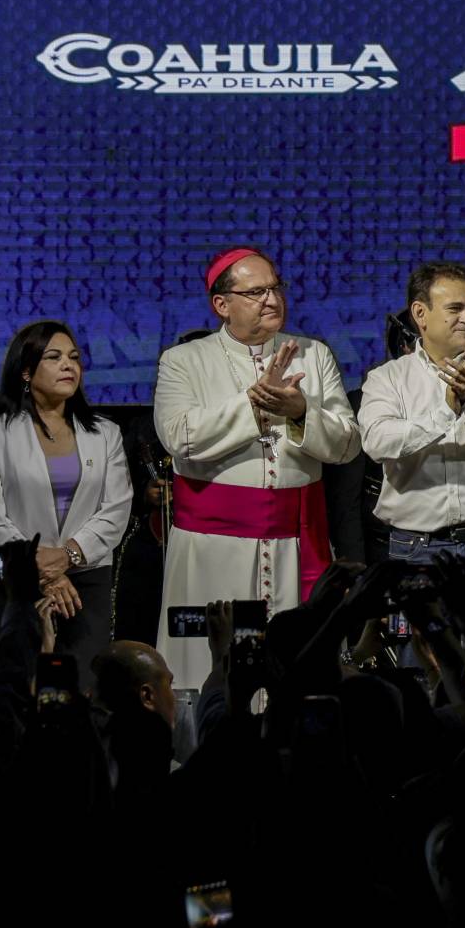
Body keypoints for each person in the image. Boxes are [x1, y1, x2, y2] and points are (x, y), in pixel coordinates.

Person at [153, 247, 360, 689]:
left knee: (294, 674)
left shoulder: (314, 355)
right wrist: (253, 403)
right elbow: (179, 437)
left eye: (275, 288)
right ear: (221, 305)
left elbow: (346, 443)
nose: (272, 299)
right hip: (213, 548)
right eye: (256, 291)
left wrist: (301, 409)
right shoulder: (184, 361)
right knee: (212, 671)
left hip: (295, 543)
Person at [0, 321, 133, 689]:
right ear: (26, 371)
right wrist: (43, 568)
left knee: (82, 688)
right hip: (18, 581)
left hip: (86, 583)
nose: (68, 365)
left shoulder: (106, 433)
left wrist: (69, 556)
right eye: (54, 357)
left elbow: (116, 509)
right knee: (20, 684)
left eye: (73, 357)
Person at [358, 263, 465, 593]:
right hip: (415, 550)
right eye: (455, 309)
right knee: (419, 646)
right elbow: (377, 442)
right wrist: (445, 412)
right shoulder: (387, 379)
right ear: (420, 314)